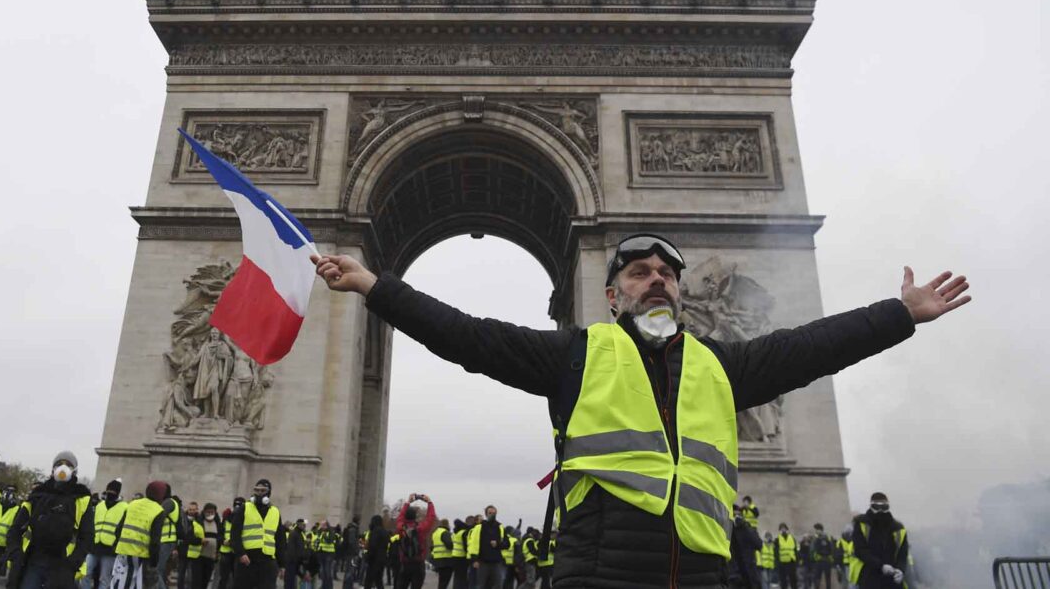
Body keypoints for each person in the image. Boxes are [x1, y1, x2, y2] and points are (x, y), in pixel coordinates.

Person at [312, 238, 969, 589]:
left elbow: (809, 348)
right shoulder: (576, 354)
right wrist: (373, 284)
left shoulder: (722, 366)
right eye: (637, 272)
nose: (654, 278)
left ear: (682, 291)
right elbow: (469, 335)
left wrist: (899, 314)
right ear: (610, 293)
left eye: (666, 272)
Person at [6, 450, 94, 589]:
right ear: (53, 468)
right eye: (59, 464)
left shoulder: (82, 499)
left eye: (68, 465)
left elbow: (87, 537)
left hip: (62, 566)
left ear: (74, 470)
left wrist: (72, 563)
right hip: (33, 562)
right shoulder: (37, 496)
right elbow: (15, 529)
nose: (63, 468)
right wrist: (15, 553)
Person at [115, 482, 171, 589]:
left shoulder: (132, 504)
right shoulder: (158, 511)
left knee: (120, 582)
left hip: (122, 552)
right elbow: (155, 541)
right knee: (136, 584)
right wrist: (154, 562)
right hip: (140, 556)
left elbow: (118, 529)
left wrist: (117, 545)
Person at [231, 478, 282, 589]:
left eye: (262, 491)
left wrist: (282, 564)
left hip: (267, 560)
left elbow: (280, 539)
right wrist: (240, 553)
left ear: (268, 493)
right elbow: (235, 533)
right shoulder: (245, 507)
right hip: (247, 559)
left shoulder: (275, 511)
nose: (259, 493)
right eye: (257, 490)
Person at [850, 494, 907, 589]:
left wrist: (901, 570)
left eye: (884, 507)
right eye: (876, 507)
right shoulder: (862, 524)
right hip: (869, 575)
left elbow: (903, 554)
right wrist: (880, 566)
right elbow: (860, 550)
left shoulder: (898, 528)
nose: (880, 510)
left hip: (892, 578)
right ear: (871, 506)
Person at [87, 479, 127, 589]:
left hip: (110, 549)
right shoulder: (100, 506)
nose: (110, 493)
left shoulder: (124, 507)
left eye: (113, 491)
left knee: (105, 579)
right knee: (85, 573)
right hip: (94, 545)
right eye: (109, 490)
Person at [395, 494, 438, 589]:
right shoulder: (421, 529)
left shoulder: (401, 528)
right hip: (418, 563)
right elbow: (431, 517)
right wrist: (429, 502)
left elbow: (400, 518)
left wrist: (407, 502)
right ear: (415, 517)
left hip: (405, 563)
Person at [467, 505, 506, 589]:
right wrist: (474, 559)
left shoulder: (500, 527)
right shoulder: (479, 527)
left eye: (494, 513)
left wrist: (497, 544)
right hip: (483, 562)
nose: (492, 514)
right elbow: (473, 544)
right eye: (490, 513)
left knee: (498, 585)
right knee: (481, 585)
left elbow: (507, 544)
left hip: (497, 562)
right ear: (486, 514)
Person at [728, 505, 762, 589]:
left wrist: (744, 526)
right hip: (737, 575)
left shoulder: (745, 528)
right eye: (735, 515)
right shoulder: (729, 530)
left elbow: (759, 544)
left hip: (745, 574)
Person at [191, 503, 221, 589]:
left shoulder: (218, 524)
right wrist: (200, 541)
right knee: (197, 583)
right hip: (199, 557)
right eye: (208, 512)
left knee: (205, 581)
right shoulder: (198, 523)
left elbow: (219, 539)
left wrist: (217, 553)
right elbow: (189, 538)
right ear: (204, 512)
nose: (210, 514)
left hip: (211, 558)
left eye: (212, 512)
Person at [217, 497, 244, 589]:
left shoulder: (245, 520)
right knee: (223, 579)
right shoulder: (226, 519)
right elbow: (219, 535)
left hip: (238, 553)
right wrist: (223, 541)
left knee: (237, 579)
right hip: (226, 552)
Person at [178, 501, 202, 589]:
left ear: (197, 510)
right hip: (183, 551)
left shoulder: (200, 520)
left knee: (190, 576)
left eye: (194, 510)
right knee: (181, 575)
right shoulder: (183, 520)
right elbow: (181, 535)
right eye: (190, 509)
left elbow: (200, 536)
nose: (191, 511)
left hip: (194, 552)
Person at [361, 516, 388, 589]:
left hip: (374, 560)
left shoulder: (375, 531)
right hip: (382, 559)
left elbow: (373, 546)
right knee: (379, 581)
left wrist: (367, 556)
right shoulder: (385, 532)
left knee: (368, 581)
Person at [285, 518, 312, 589]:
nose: (305, 526)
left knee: (293, 580)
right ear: (299, 525)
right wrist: (294, 559)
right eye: (303, 525)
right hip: (292, 561)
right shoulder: (294, 533)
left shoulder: (299, 534)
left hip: (296, 561)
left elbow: (300, 548)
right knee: (290, 580)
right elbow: (291, 548)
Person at [430, 519, 454, 589]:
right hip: (446, 560)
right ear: (447, 524)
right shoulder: (445, 533)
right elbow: (449, 545)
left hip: (438, 559)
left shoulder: (435, 533)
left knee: (441, 581)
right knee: (444, 582)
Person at [811, 523, 834, 589]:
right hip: (818, 561)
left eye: (816, 529)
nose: (815, 531)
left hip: (826, 560)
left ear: (820, 530)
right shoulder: (815, 538)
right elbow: (813, 549)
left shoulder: (827, 537)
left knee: (827, 578)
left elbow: (831, 549)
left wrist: (830, 558)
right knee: (817, 578)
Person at [775, 524, 799, 589]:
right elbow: (776, 552)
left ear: (787, 529)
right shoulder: (777, 539)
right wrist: (777, 562)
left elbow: (795, 550)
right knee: (783, 581)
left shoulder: (792, 538)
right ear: (779, 530)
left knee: (793, 580)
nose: (783, 530)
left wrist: (797, 561)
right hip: (782, 563)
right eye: (781, 528)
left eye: (784, 528)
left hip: (791, 562)